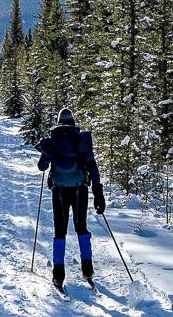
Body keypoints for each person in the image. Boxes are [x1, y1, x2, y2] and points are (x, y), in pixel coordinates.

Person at [36, 107, 106, 291]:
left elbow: (42, 166)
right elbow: (92, 165)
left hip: (59, 190)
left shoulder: (53, 141)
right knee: (81, 227)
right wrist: (98, 191)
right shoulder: (81, 139)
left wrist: (46, 151)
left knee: (60, 230)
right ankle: (88, 270)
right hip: (79, 189)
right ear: (73, 122)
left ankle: (58, 275)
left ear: (59, 122)